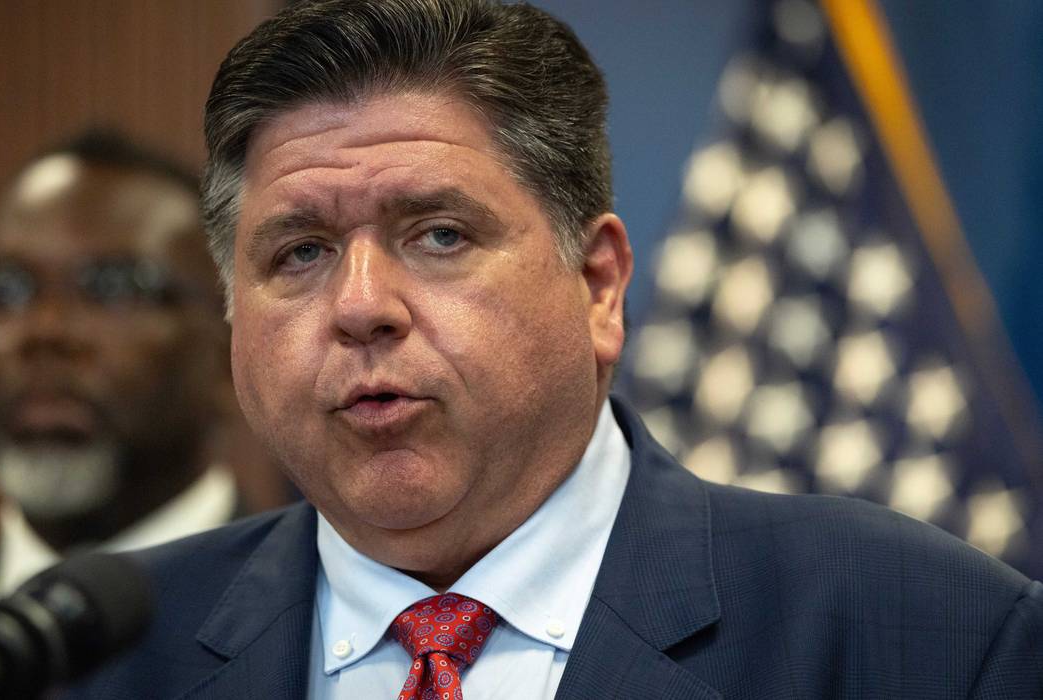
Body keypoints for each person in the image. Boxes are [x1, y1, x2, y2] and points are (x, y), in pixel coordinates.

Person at [69, 2, 1043, 698]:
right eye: (302, 251)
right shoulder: (97, 660)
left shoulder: (920, 631)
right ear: (234, 313)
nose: (361, 305)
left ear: (599, 284)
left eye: (439, 235)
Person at [0, 129, 289, 699]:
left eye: (112, 289)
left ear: (230, 351)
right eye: (6, 289)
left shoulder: (314, 639)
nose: (44, 332)